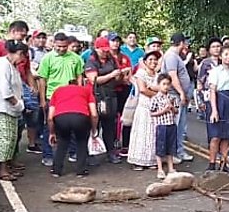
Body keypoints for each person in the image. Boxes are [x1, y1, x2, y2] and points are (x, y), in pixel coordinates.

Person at [36, 32, 85, 167]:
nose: (61, 49)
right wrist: (42, 99)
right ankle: (48, 155)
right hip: (52, 96)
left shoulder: (76, 58)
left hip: (71, 97)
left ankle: (73, 152)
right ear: (54, 44)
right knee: (49, 125)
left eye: (64, 46)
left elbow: (79, 76)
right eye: (58, 46)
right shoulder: (47, 59)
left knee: (73, 125)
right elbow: (42, 80)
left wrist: (80, 93)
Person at [0, 40, 29, 181]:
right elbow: (5, 89)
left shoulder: (11, 66)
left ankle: (8, 165)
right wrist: (17, 103)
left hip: (12, 107)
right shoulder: (2, 65)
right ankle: (2, 169)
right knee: (4, 139)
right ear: (19, 53)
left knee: (12, 138)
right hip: (2, 107)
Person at [84, 36, 125, 164]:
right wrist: (111, 75)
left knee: (110, 125)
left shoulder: (112, 60)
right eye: (103, 50)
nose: (105, 52)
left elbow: (117, 78)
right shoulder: (91, 61)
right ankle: (89, 153)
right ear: (96, 49)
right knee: (93, 124)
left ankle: (110, 152)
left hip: (110, 95)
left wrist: (120, 75)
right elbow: (94, 80)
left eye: (107, 50)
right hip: (96, 96)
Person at [47, 80, 99, 178]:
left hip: (61, 118)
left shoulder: (58, 91)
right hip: (80, 117)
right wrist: (94, 129)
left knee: (62, 142)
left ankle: (56, 170)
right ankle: (81, 170)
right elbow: (94, 114)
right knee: (82, 141)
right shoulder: (86, 90)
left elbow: (50, 117)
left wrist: (52, 132)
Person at [206, 45, 229, 172]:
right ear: (220, 56)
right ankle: (211, 164)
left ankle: (223, 163)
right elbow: (212, 91)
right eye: (226, 54)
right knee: (216, 136)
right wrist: (214, 110)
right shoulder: (215, 71)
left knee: (226, 135)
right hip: (219, 102)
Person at [161, 33, 194, 163]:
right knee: (175, 125)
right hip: (175, 95)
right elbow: (172, 76)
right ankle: (173, 152)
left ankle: (179, 150)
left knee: (180, 125)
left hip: (179, 94)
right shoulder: (171, 56)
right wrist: (181, 93)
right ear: (181, 42)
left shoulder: (175, 56)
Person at [127, 51, 162, 170]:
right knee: (142, 133)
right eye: (150, 59)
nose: (153, 62)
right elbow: (143, 90)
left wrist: (154, 90)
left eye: (155, 59)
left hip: (155, 107)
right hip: (144, 107)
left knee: (153, 134)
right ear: (145, 62)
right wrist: (156, 93)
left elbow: (164, 88)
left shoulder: (158, 75)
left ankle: (151, 160)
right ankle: (139, 161)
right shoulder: (141, 73)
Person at [149, 74, 180, 179]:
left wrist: (172, 108)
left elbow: (176, 111)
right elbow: (152, 112)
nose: (166, 86)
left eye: (168, 84)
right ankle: (160, 169)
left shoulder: (172, 98)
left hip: (171, 125)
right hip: (161, 126)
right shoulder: (155, 98)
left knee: (171, 147)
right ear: (159, 85)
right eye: (163, 84)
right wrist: (163, 111)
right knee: (160, 147)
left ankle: (171, 168)